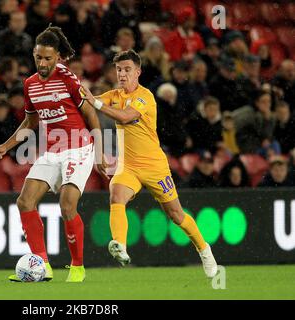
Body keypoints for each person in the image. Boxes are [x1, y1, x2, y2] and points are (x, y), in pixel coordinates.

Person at [81, 49, 218, 278]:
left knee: (176, 215)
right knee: (116, 194)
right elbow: (88, 104)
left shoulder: (146, 96)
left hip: (154, 166)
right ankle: (120, 246)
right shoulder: (114, 94)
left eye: (127, 70)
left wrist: (94, 102)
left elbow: (124, 116)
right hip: (129, 167)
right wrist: (76, 96)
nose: (122, 74)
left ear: (138, 72)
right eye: (119, 70)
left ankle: (204, 249)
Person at [0, 26, 106, 282]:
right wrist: (6, 146)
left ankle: (77, 267)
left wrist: (99, 154)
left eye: (48, 58)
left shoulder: (68, 78)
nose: (42, 63)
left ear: (58, 57)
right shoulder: (30, 84)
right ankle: (42, 265)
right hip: (52, 150)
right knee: (24, 201)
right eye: (38, 57)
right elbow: (29, 123)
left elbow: (91, 115)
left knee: (67, 205)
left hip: (78, 147)